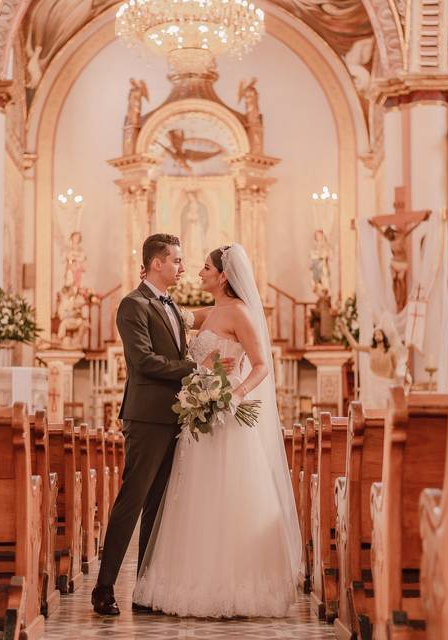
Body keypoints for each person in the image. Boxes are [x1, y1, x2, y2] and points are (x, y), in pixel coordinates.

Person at [132, 244, 302, 618]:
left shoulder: (240, 313)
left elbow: (260, 365)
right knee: (195, 499)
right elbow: (167, 313)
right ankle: (192, 580)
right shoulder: (211, 312)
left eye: (205, 268)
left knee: (227, 496)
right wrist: (148, 283)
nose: (199, 272)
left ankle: (231, 584)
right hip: (198, 419)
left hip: (226, 416)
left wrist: (232, 394)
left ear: (223, 275)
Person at [92, 234, 234, 616]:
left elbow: (214, 315)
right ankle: (104, 588)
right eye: (176, 261)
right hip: (147, 417)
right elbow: (143, 361)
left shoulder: (172, 306)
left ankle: (144, 589)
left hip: (176, 415)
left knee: (159, 506)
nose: (182, 268)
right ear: (157, 263)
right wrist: (197, 368)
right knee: (133, 500)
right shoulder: (132, 305)